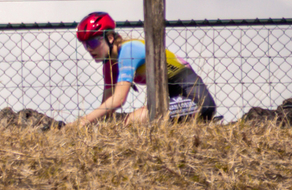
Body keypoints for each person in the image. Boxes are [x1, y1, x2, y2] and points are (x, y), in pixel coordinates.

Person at [65, 9, 217, 129]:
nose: (89, 49)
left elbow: (118, 100)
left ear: (110, 38)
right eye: (85, 45)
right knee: (129, 122)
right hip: (172, 99)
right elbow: (107, 107)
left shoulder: (128, 50)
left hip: (197, 101)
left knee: (132, 121)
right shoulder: (110, 64)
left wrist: (82, 122)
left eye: (92, 43)